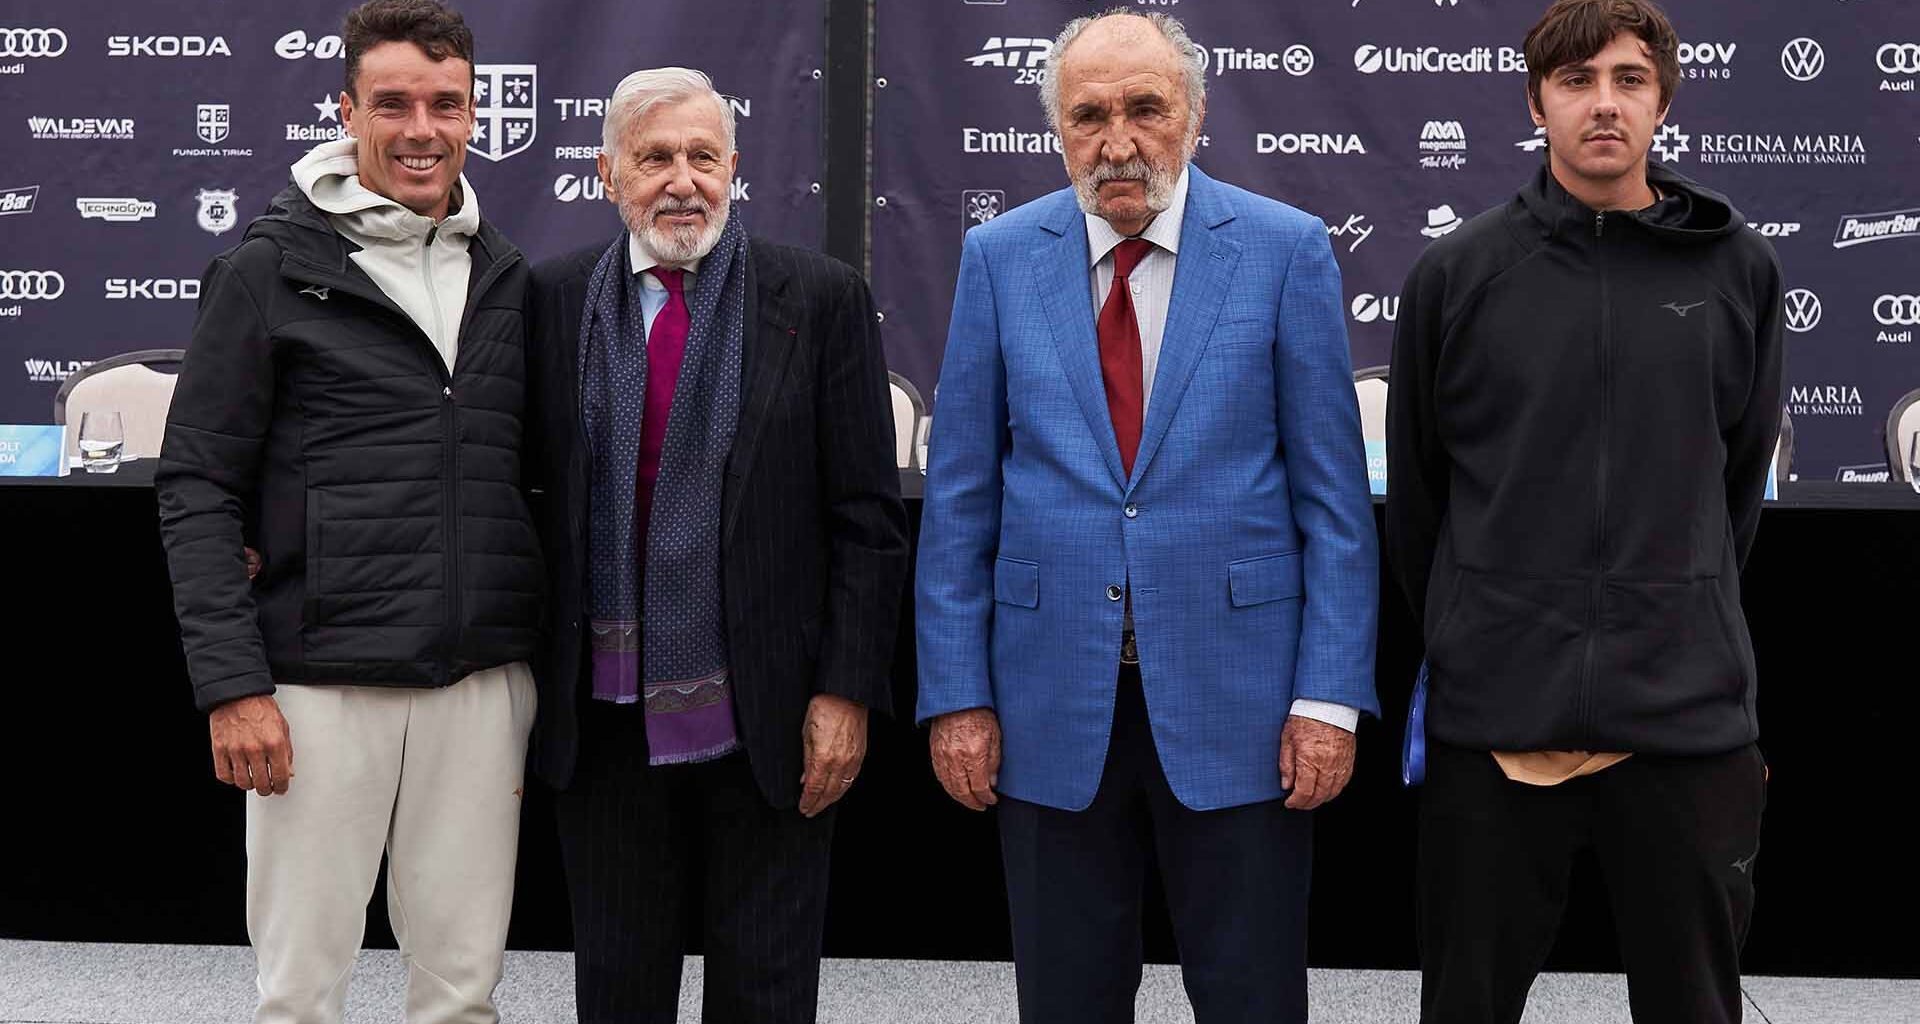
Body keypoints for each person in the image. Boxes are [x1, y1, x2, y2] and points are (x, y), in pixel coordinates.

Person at [914, 10, 1379, 1022]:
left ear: (1196, 118)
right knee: (1067, 999)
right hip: (1046, 704)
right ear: (1057, 132)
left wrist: (1328, 698)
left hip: (1245, 703)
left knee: (1251, 995)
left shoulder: (1284, 251)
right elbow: (959, 501)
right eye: (1088, 115)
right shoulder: (999, 258)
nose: (1117, 139)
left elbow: (1334, 504)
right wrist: (955, 694)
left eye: (1144, 108)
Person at [1385, 2, 1783, 1021]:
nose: (1602, 104)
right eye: (1576, 81)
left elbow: (1734, 489)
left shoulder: (1738, 270)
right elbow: (1423, 497)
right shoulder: (1456, 274)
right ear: (1535, 101)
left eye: (1628, 79)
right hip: (1499, 714)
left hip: (1686, 716)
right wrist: (1483, 627)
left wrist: (1677, 604)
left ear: (1663, 98)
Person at [155, 1, 542, 1021]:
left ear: (473, 114)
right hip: (318, 689)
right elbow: (197, 486)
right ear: (346, 110)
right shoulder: (267, 270)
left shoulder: (506, 274)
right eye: (395, 102)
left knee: (463, 990)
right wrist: (234, 688)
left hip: (478, 686)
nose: (423, 127)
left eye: (446, 103)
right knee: (300, 992)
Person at [523, 66, 909, 1024]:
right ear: (610, 173)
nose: (682, 180)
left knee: (768, 988)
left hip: (770, 708)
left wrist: (845, 691)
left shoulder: (819, 299)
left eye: (703, 156)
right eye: (656, 158)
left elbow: (868, 518)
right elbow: (521, 492)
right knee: (618, 984)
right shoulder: (550, 299)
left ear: (735, 169)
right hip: (603, 710)